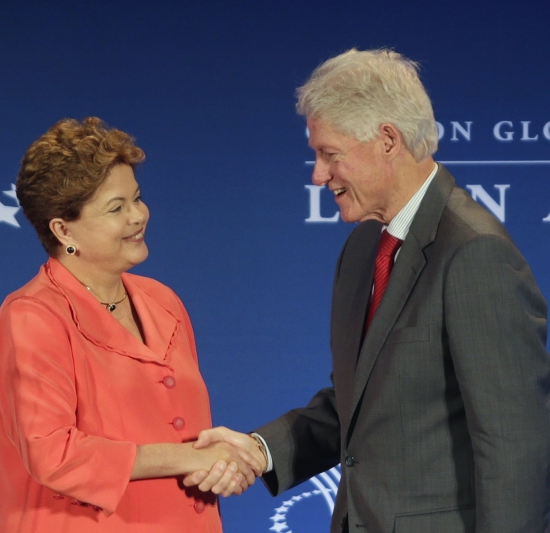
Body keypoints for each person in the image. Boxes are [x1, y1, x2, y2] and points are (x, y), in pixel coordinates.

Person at [195, 49, 550, 533]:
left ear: (387, 140)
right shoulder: (365, 247)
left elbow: (515, 446)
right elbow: (362, 404)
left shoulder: (473, 253)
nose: (318, 174)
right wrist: (261, 450)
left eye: (330, 154)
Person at [0, 117, 258, 532]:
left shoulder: (163, 301)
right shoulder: (32, 315)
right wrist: (190, 457)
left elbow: (188, 433)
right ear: (63, 230)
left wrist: (219, 465)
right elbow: (53, 454)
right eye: (116, 208)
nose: (138, 216)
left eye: (137, 198)